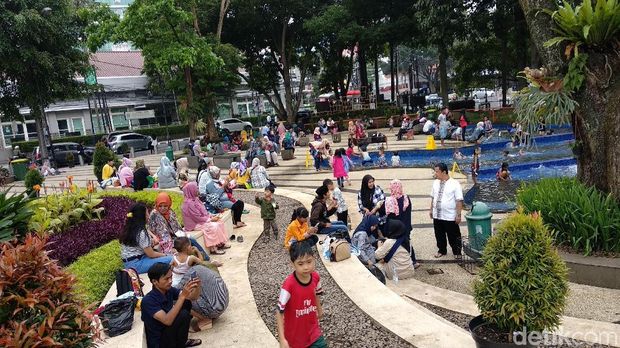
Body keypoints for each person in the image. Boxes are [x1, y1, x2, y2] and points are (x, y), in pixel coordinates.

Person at [276, 235, 326, 348]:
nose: (306, 267)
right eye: (300, 264)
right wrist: (282, 339)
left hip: (313, 331)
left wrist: (319, 309)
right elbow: (279, 312)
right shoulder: (288, 285)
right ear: (292, 263)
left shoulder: (316, 277)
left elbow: (317, 293)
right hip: (295, 337)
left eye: (309, 262)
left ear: (314, 259)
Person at [141, 262, 202, 348]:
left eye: (171, 277)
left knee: (186, 302)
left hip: (168, 332)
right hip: (160, 342)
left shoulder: (168, 290)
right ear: (154, 281)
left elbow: (192, 297)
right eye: (166, 279)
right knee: (183, 314)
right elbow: (167, 321)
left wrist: (197, 287)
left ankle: (182, 341)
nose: (170, 281)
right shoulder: (148, 301)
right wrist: (182, 296)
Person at [148, 192, 212, 262]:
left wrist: (183, 236)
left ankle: (205, 259)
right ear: (157, 205)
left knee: (191, 240)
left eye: (165, 206)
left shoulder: (170, 211)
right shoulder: (154, 214)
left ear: (169, 205)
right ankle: (204, 260)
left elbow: (177, 227)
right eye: (160, 206)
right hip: (163, 240)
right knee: (185, 244)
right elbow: (162, 234)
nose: (162, 208)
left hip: (174, 235)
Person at [119, 203, 173, 273]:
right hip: (137, 265)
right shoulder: (141, 232)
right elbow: (151, 254)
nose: (148, 216)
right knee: (171, 259)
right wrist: (165, 255)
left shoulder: (131, 227)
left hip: (131, 263)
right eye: (147, 213)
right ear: (142, 216)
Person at [181, 182, 230, 255]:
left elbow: (203, 212)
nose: (197, 190)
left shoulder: (195, 199)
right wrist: (210, 220)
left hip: (200, 221)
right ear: (191, 190)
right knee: (213, 227)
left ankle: (220, 243)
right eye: (196, 188)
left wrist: (211, 216)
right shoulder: (189, 203)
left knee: (219, 222)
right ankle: (213, 249)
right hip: (194, 224)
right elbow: (197, 217)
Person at [177, 264, 229, 328]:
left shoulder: (191, 272)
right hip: (224, 304)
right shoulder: (203, 268)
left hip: (214, 310)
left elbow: (177, 291)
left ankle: (205, 319)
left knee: (177, 300)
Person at [430, 163, 464, 259]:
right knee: (439, 234)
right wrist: (431, 209)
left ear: (444, 172)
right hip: (437, 214)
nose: (435, 173)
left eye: (437, 171)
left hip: (449, 215)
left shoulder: (455, 184)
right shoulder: (435, 183)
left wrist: (458, 215)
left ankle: (457, 252)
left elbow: (459, 200)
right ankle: (442, 250)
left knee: (453, 234)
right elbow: (433, 197)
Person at [385, 179, 419, 268]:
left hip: (396, 227)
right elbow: (409, 213)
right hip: (406, 226)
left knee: (396, 245)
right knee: (407, 243)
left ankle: (400, 264)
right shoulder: (406, 199)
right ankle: (413, 261)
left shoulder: (390, 200)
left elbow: (389, 216)